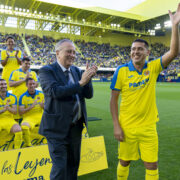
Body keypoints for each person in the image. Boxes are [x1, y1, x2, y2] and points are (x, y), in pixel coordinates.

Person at [110, 4, 180, 180]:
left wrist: (175, 26)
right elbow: (113, 100)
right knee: (124, 161)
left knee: (152, 164)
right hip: (126, 126)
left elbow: (173, 52)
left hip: (148, 127)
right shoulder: (121, 70)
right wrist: (116, 125)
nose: (136, 52)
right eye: (133, 49)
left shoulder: (153, 67)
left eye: (140, 49)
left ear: (147, 52)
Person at [38, 39, 97, 180]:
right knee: (60, 168)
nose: (72, 55)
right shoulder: (46, 70)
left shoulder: (76, 70)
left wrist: (88, 80)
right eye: (69, 51)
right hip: (56, 128)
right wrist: (81, 82)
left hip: (75, 127)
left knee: (73, 166)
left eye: (74, 52)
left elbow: (88, 95)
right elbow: (55, 91)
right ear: (58, 53)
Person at [19, 78, 44, 147]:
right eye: (30, 84)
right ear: (26, 85)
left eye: (33, 84)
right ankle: (29, 145)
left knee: (52, 123)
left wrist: (43, 106)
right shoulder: (22, 96)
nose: (32, 85)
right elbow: (20, 112)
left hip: (40, 115)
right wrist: (31, 107)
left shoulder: (41, 94)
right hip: (29, 117)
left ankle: (45, 143)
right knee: (24, 126)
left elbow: (49, 108)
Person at [0, 79, 22, 149]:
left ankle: (16, 150)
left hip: (9, 119)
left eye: (5, 84)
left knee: (18, 130)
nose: (3, 86)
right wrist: (4, 110)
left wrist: (8, 108)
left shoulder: (13, 96)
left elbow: (15, 111)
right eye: (1, 84)